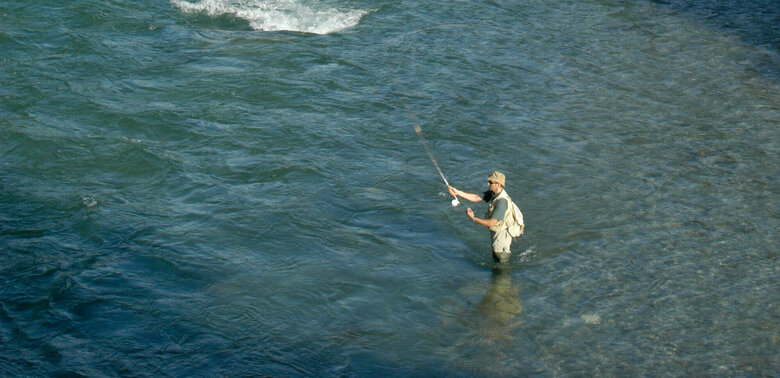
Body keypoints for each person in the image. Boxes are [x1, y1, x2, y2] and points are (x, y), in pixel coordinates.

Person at [448, 171, 522, 264]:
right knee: (497, 257)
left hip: (501, 235)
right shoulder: (493, 193)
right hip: (497, 233)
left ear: (498, 184)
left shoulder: (501, 202)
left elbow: (492, 222)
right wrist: (457, 192)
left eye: (490, 182)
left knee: (500, 259)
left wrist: (473, 218)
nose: (488, 184)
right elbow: (476, 197)